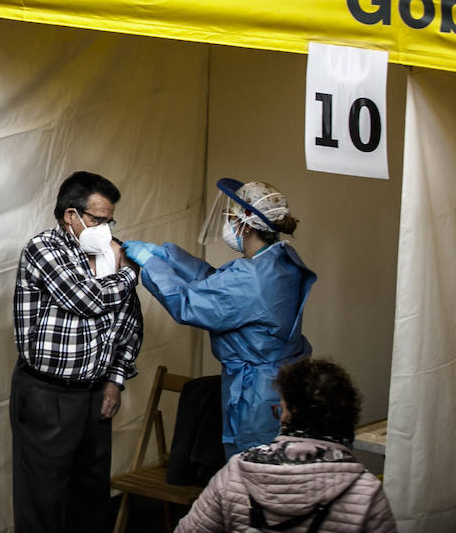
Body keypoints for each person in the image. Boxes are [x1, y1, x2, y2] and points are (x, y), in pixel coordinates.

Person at [124, 179, 316, 456]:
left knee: (251, 472)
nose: (228, 224)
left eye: (231, 218)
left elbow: (188, 303)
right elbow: (217, 283)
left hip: (257, 394)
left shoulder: (252, 278)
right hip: (278, 381)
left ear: (247, 226)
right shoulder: (278, 260)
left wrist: (150, 264)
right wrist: (167, 255)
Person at [11, 171, 143, 533]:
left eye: (109, 219)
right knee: (43, 500)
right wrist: (129, 273)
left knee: (91, 497)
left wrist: (115, 381)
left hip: (95, 395)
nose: (105, 227)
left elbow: (130, 324)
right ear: (70, 215)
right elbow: (87, 300)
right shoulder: (44, 250)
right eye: (98, 219)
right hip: (46, 393)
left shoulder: (108, 252)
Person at [176, 358, 396, 532]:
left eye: (280, 408)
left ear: (288, 413)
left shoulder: (237, 473)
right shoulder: (365, 492)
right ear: (349, 417)